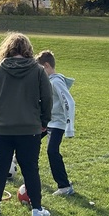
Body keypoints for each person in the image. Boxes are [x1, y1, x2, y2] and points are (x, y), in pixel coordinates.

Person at [0, 32, 53, 216]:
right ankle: (37, 209)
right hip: (29, 129)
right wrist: (44, 121)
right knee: (30, 169)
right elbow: (48, 99)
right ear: (27, 49)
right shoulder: (38, 71)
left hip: (1, 129)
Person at [37, 50, 75, 196]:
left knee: (52, 151)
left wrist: (70, 127)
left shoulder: (56, 82)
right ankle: (14, 161)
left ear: (46, 66)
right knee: (29, 139)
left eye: (40, 69)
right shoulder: (47, 81)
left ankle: (65, 186)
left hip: (57, 124)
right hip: (47, 121)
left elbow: (69, 102)